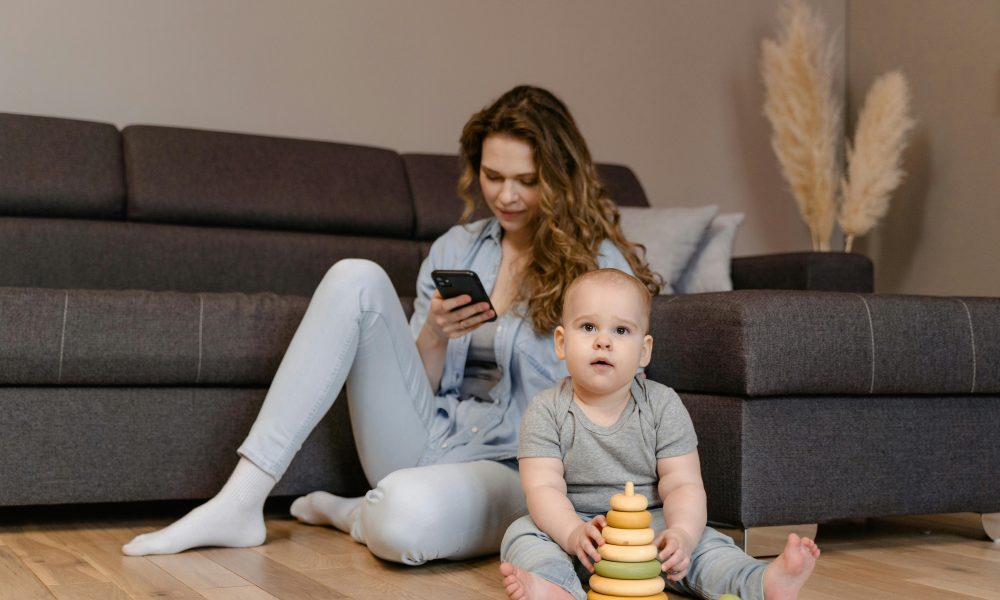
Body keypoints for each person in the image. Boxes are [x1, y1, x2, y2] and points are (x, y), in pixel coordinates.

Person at [121, 85, 662, 564]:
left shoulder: (598, 267)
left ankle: (358, 514)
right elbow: (413, 387)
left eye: (527, 180)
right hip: (429, 436)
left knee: (402, 522)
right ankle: (241, 501)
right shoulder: (457, 247)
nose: (507, 196)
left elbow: (615, 389)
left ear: (561, 179)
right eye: (493, 177)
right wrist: (433, 332)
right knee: (354, 277)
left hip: (517, 468)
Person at [499, 268, 820, 600]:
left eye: (621, 330)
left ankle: (760, 583)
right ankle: (556, 587)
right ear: (562, 343)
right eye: (589, 327)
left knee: (705, 544)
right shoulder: (545, 410)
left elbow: (683, 484)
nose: (603, 340)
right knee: (522, 534)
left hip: (650, 530)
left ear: (644, 351)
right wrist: (572, 533)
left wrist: (681, 534)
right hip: (576, 533)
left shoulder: (663, 404)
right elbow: (543, 488)